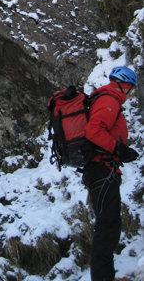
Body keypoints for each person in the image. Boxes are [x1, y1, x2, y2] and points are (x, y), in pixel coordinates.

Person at [83, 66, 139, 281]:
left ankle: (105, 277)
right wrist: (119, 149)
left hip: (102, 169)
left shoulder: (107, 98)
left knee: (108, 225)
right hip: (102, 170)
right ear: (124, 86)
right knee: (108, 227)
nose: (131, 93)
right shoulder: (109, 99)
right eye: (131, 89)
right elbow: (93, 130)